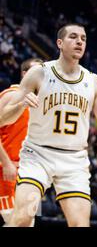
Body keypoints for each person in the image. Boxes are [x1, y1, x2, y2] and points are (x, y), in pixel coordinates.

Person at [2, 23, 97, 227]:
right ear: (60, 43)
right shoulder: (39, 73)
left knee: (80, 224)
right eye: (73, 37)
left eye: (83, 38)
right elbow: (3, 119)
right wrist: (20, 105)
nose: (79, 41)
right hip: (38, 155)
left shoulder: (93, 81)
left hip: (74, 160)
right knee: (22, 219)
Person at [0, 58, 43, 225]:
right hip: (6, 170)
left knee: (27, 222)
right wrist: (6, 162)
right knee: (16, 221)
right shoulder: (10, 95)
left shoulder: (38, 103)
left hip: (27, 173)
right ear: (25, 74)